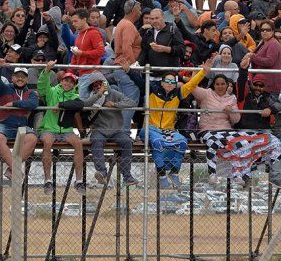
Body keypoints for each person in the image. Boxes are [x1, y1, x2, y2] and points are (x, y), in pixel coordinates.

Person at [144, 61, 210, 189]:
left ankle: (174, 172)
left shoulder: (178, 94)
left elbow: (191, 85)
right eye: (167, 81)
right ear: (161, 82)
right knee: (157, 142)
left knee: (182, 142)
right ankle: (162, 174)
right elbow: (138, 80)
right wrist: (129, 70)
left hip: (168, 129)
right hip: (150, 128)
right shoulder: (151, 89)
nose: (169, 84)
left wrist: (203, 72)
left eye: (172, 82)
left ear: (176, 84)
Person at [81, 71, 138, 186]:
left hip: (116, 130)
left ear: (105, 83)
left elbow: (131, 102)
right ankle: (102, 172)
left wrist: (115, 105)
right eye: (95, 84)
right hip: (99, 129)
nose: (98, 86)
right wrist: (99, 95)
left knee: (127, 142)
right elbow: (84, 105)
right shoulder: (91, 96)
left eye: (100, 83)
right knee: (96, 141)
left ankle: (127, 176)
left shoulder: (114, 93)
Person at [36, 61, 85, 194]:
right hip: (49, 128)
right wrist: (46, 70)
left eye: (71, 82)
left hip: (67, 131)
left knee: (78, 143)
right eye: (65, 81)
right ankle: (47, 180)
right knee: (47, 142)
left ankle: (79, 181)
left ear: (74, 85)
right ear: (61, 81)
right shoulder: (52, 92)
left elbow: (79, 105)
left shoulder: (75, 96)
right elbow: (42, 85)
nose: (67, 84)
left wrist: (61, 105)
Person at [0, 58, 39, 180]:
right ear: (12, 78)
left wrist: (13, 104)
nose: (20, 79)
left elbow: (33, 103)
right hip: (3, 124)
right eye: (17, 76)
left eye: (23, 76)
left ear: (27, 79)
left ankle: (12, 168)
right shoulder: (4, 88)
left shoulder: (31, 93)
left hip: (21, 126)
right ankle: (16, 170)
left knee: (32, 138)